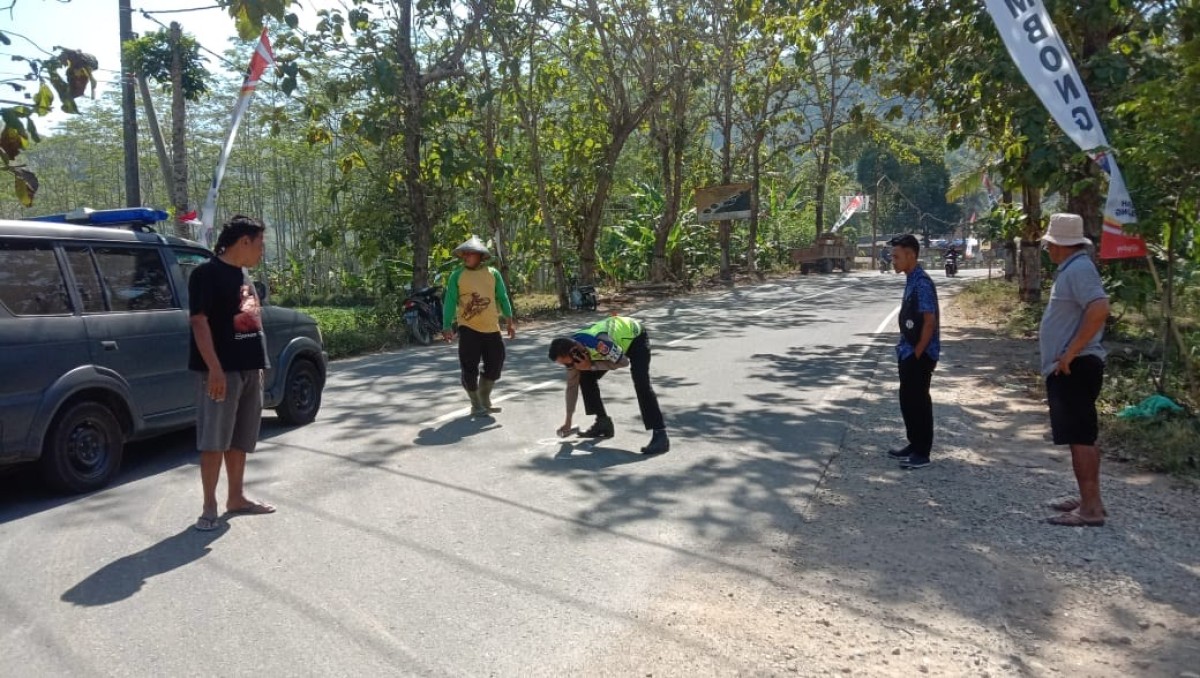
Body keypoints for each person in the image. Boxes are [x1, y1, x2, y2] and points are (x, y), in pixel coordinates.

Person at [189, 215, 276, 531]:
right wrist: (214, 369)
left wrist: (260, 363)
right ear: (244, 242)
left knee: (241, 437)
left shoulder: (244, 276)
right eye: (260, 244)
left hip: (249, 368)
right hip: (221, 371)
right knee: (215, 439)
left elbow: (254, 319)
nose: (261, 251)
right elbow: (199, 322)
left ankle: (236, 497)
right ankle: (209, 505)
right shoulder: (206, 274)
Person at [1039, 214, 1110, 527]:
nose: (1048, 249)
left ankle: (1091, 509)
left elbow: (1099, 308)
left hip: (1075, 366)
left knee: (1080, 437)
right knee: (1082, 435)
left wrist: (1070, 353)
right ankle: (1089, 499)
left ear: (1059, 245)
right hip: (1074, 365)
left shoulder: (1079, 269)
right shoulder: (1073, 268)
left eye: (1050, 244)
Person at [547, 315, 669, 455]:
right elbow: (571, 387)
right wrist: (568, 421)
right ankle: (603, 423)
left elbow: (623, 362)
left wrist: (591, 366)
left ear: (575, 352)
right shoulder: (572, 351)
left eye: (568, 363)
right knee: (584, 377)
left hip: (635, 338)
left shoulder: (599, 344)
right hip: (612, 347)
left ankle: (660, 435)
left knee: (641, 383)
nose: (569, 366)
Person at [442, 236, 517, 417]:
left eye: (470, 253)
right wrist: (446, 325)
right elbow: (450, 301)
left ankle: (485, 398)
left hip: (491, 327)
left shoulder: (493, 274)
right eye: (464, 254)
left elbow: (503, 296)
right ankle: (476, 404)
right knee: (469, 367)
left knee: (496, 362)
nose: (466, 256)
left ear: (480, 256)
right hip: (468, 328)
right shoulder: (457, 275)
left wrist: (509, 320)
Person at [887, 234, 940, 469]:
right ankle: (913, 443)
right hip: (908, 350)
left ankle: (922, 451)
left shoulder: (922, 283)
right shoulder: (911, 278)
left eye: (896, 256)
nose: (893, 260)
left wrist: (918, 353)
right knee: (907, 400)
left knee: (919, 401)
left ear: (910, 255)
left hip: (920, 353)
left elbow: (929, 322)